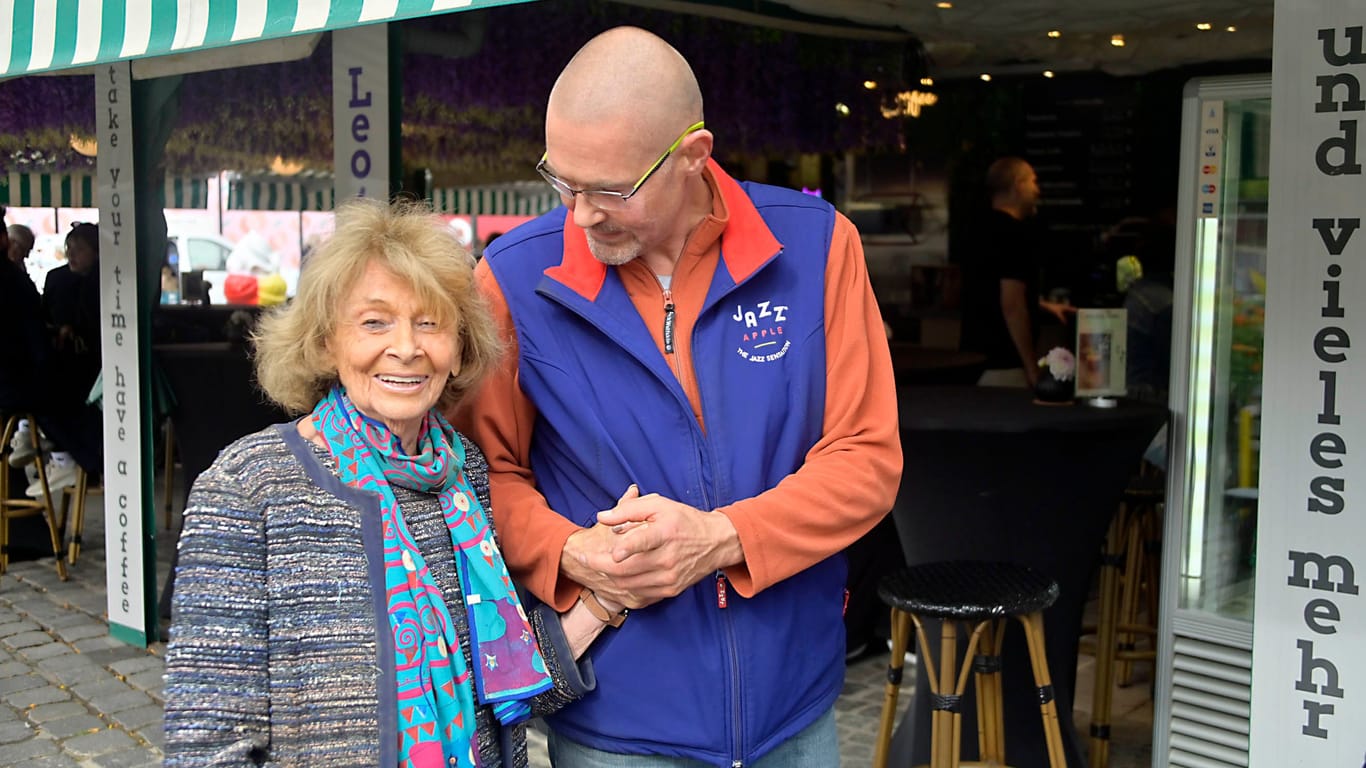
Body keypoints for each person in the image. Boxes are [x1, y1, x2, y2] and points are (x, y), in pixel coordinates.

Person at [451, 27, 902, 766]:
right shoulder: (511, 278)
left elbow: (867, 459)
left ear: (694, 155)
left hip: (796, 712)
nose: (581, 214)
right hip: (614, 725)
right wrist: (569, 551)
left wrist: (721, 540)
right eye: (562, 183)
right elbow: (475, 478)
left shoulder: (819, 246)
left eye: (608, 189)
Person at [163, 198, 609, 767]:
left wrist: (606, 597)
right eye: (374, 321)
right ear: (327, 341)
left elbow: (502, 681)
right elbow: (207, 744)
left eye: (430, 322)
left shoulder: (464, 471)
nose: (406, 347)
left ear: (459, 346)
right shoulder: (249, 486)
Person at [959, 157, 1073, 387]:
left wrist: (1041, 304)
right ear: (1018, 185)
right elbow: (1012, 303)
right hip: (1004, 365)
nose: (1037, 190)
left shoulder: (975, 231)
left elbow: (987, 287)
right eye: (1033, 182)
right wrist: (1031, 368)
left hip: (970, 361)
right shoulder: (1015, 234)